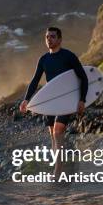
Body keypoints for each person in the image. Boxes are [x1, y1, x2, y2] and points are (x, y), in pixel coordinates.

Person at [19, 26, 88, 177]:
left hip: (67, 100)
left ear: (60, 39)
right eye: (47, 37)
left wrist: (82, 100)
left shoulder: (69, 56)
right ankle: (60, 165)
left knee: (58, 131)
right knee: (53, 135)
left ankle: (57, 172)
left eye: (53, 36)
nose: (49, 39)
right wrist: (26, 99)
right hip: (50, 99)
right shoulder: (44, 59)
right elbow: (35, 81)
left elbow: (83, 77)